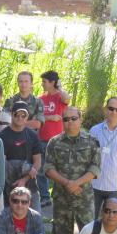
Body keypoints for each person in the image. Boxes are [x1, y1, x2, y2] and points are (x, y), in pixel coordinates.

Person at [44, 106, 100, 234]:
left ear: (80, 119)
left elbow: (95, 168)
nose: (69, 123)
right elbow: (48, 168)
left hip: (84, 198)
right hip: (62, 197)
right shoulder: (54, 142)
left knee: (89, 233)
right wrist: (67, 183)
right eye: (66, 119)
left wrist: (77, 183)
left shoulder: (91, 141)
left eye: (73, 119)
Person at [0, 101, 42, 213]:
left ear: (28, 117)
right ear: (11, 114)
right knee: (7, 217)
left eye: (24, 115)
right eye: (17, 114)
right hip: (7, 184)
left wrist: (25, 179)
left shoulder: (33, 135)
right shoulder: (1, 136)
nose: (20, 118)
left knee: (36, 217)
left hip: (29, 182)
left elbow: (38, 161)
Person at [37, 70, 71, 207]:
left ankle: (59, 196)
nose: (42, 84)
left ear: (53, 83)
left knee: (59, 170)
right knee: (41, 170)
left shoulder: (59, 97)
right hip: (41, 139)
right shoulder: (40, 99)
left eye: (45, 82)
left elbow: (67, 99)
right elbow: (36, 117)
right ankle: (45, 197)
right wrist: (50, 117)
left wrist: (60, 87)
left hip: (58, 140)